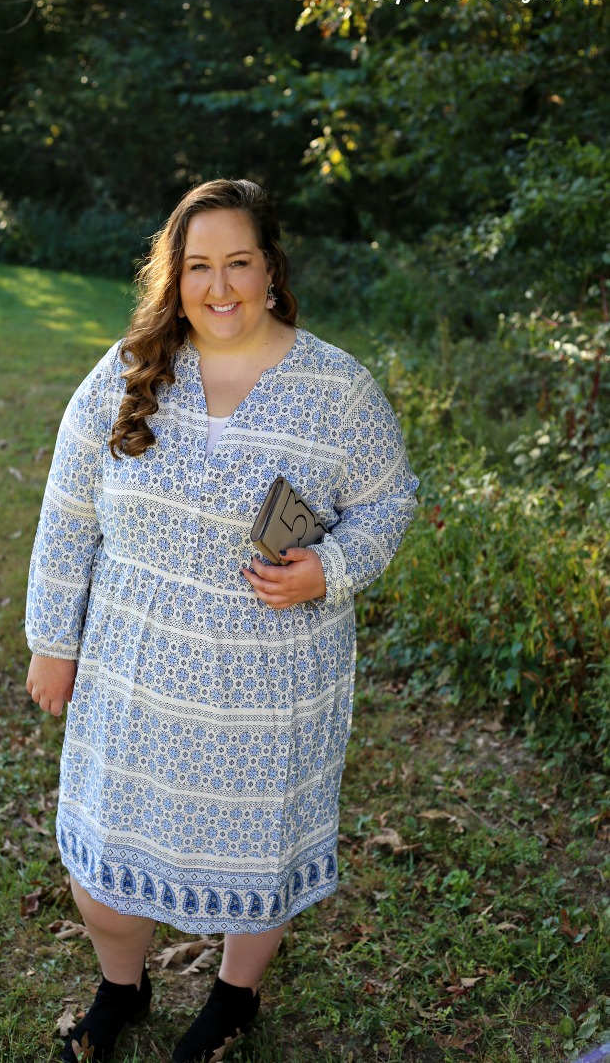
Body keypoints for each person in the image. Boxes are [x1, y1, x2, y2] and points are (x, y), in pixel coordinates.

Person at [25, 177, 419, 1063]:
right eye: (198, 266)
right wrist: (54, 641)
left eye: (238, 262)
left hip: (268, 682)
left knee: (255, 857)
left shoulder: (335, 389)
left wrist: (332, 567)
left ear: (271, 269)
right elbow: (68, 511)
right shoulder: (129, 370)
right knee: (102, 866)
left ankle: (235, 999)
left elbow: (389, 502)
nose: (219, 286)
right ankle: (120, 988)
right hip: (130, 666)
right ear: (174, 277)